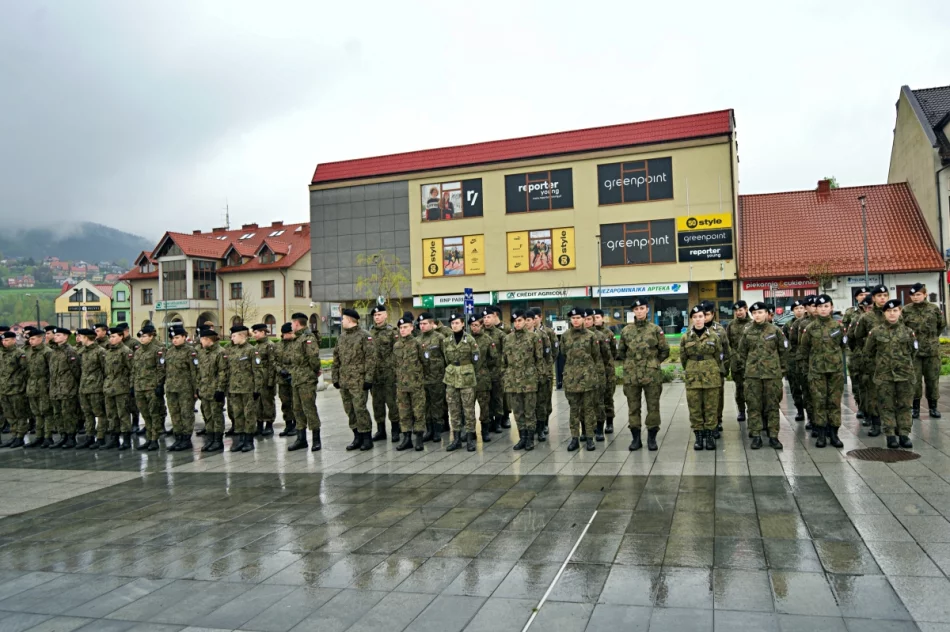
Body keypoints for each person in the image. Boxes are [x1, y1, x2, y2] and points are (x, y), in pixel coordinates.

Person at [616, 298, 670, 451]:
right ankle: (636, 439)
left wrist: (653, 363)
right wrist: (630, 364)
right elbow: (621, 352)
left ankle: (652, 438)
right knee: (633, 407)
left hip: (651, 375)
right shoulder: (626, 330)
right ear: (633, 311)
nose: (639, 311)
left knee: (653, 406)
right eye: (636, 309)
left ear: (647, 310)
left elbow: (664, 350)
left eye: (642, 308)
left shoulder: (655, 329)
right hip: (632, 375)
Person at [865, 298, 917, 449]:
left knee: (905, 405)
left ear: (900, 312)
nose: (892, 314)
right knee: (886, 405)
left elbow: (913, 352)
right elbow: (868, 353)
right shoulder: (876, 332)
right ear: (884, 313)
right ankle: (890, 435)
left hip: (905, 375)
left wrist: (904, 365)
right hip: (884, 376)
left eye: (895, 311)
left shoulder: (908, 332)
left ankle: (904, 434)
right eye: (889, 311)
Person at [737, 302, 787, 449]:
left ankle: (773, 436)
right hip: (753, 376)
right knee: (753, 405)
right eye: (755, 313)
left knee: (772, 406)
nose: (757, 315)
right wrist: (750, 367)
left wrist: (781, 371)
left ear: (766, 313)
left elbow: (783, 352)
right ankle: (756, 435)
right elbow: (742, 352)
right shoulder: (747, 332)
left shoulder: (776, 331)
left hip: (772, 376)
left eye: (760, 312)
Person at [799, 295, 846, 448]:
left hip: (835, 371)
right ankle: (820, 434)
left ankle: (834, 434)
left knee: (834, 402)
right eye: (820, 307)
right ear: (816, 309)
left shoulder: (838, 326)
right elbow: (804, 350)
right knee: (818, 402)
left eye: (826, 306)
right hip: (817, 372)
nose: (823, 309)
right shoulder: (810, 328)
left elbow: (843, 346)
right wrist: (808, 369)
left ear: (831, 307)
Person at [333, 309, 377, 451]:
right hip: (344, 380)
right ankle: (356, 436)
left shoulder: (364, 336)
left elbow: (371, 359)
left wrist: (369, 379)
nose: (342, 321)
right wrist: (335, 378)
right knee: (349, 409)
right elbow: (336, 359)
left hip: (359, 380)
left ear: (351, 319)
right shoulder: (342, 337)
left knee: (360, 409)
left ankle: (366, 438)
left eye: (343, 319)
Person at [849, 285, 889, 437]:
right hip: (872, 362)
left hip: (892, 362)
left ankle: (892, 424)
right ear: (873, 298)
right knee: (872, 392)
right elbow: (856, 338)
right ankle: (875, 422)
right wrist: (867, 352)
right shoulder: (866, 318)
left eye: (885, 295)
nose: (882, 298)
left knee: (891, 393)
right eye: (879, 295)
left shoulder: (894, 314)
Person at [682, 306, 723, 450]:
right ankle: (699, 437)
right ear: (692, 319)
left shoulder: (714, 336)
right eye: (695, 317)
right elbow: (683, 358)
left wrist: (712, 368)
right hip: (693, 378)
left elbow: (719, 356)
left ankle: (710, 436)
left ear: (705, 318)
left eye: (701, 316)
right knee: (695, 408)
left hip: (711, 377)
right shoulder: (686, 337)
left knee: (711, 407)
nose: (698, 319)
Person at [560, 307, 601, 452]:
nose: (575, 320)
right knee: (574, 410)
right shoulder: (565, 336)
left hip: (587, 378)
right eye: (573, 318)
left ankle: (590, 438)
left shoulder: (591, 336)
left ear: (584, 319)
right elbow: (564, 354)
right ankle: (574, 438)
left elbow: (596, 356)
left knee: (589, 410)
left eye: (578, 317)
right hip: (571, 378)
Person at [503, 309, 544, 451]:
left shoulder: (533, 337)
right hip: (513, 381)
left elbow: (539, 359)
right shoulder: (507, 339)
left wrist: (540, 377)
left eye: (520, 320)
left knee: (529, 411)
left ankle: (530, 439)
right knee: (518, 411)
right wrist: (505, 376)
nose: (517, 323)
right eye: (515, 321)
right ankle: (522, 437)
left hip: (529, 380)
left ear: (526, 321)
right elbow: (504, 362)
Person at [901, 282, 942, 419]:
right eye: (912, 295)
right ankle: (915, 408)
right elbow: (903, 328)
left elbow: (941, 325)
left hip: (932, 352)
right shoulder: (906, 310)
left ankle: (933, 408)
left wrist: (931, 340)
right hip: (914, 353)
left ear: (925, 294)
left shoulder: (934, 309)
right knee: (915, 381)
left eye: (918, 294)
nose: (915, 297)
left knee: (932, 380)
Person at [441, 313, 479, 452]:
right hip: (451, 377)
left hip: (466, 377)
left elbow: (476, 358)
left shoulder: (469, 340)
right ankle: (456, 439)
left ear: (463, 324)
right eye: (452, 323)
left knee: (468, 409)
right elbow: (446, 358)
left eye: (457, 323)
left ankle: (469, 439)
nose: (454, 325)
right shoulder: (446, 341)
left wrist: (465, 368)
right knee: (454, 409)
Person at [287, 312, 323, 452]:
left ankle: (316, 439)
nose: (291, 326)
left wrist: (313, 372)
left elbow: (313, 359)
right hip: (296, 380)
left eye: (292, 323)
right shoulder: (296, 339)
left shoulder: (308, 338)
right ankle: (301, 439)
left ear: (297, 323)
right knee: (297, 409)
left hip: (306, 380)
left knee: (309, 408)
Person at [224, 324, 262, 453]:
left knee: (249, 415)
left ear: (242, 335)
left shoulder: (252, 350)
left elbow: (257, 371)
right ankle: (240, 440)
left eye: (234, 336)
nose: (232, 338)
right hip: (234, 389)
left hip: (248, 389)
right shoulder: (231, 350)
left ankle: (249, 441)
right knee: (237, 414)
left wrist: (257, 388)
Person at [368, 305, 400, 442]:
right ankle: (381, 430)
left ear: (386, 315)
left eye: (379, 314)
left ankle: (395, 430)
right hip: (375, 375)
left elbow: (398, 352)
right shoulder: (370, 333)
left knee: (392, 403)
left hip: (389, 375)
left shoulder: (393, 332)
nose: (377, 317)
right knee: (377, 404)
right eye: (375, 315)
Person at [394, 316, 427, 451]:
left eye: (405, 327)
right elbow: (394, 364)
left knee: (418, 411)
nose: (402, 330)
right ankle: (406, 438)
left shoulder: (418, 343)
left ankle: (419, 438)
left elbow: (425, 362)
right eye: (401, 328)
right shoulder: (396, 345)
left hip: (416, 385)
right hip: (402, 386)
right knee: (404, 412)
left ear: (412, 328)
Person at [132, 325, 166, 451]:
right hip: (139, 387)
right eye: (140, 336)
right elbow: (134, 370)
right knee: (145, 414)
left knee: (154, 414)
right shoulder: (138, 351)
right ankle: (148, 437)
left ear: (151, 337)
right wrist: (133, 386)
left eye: (145, 336)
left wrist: (159, 385)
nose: (142, 338)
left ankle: (154, 439)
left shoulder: (158, 350)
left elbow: (161, 369)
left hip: (151, 387)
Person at [164, 325, 198, 451]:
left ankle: (186, 439)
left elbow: (194, 372)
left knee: (186, 414)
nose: (174, 340)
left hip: (185, 389)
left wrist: (196, 390)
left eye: (177, 337)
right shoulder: (170, 351)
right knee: (174, 414)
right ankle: (178, 438)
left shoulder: (190, 351)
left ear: (184, 337)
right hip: (171, 388)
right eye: (172, 338)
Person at [102, 327, 134, 450]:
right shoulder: (108, 352)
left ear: (121, 337)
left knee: (123, 414)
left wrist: (131, 387)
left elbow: (132, 370)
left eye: (114, 336)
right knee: (111, 414)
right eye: (110, 337)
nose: (111, 339)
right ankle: (114, 439)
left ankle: (126, 440)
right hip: (109, 388)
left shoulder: (126, 351)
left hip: (122, 388)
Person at [48, 327, 81, 448]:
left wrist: (71, 386)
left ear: (65, 337)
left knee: (68, 414)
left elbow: (76, 371)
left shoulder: (70, 351)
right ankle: (63, 436)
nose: (55, 337)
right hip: (55, 389)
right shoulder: (54, 352)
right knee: (58, 414)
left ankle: (71, 437)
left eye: (58, 335)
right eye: (55, 335)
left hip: (67, 388)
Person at [196, 327, 227, 452]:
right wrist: (198, 388)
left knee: (216, 416)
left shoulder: (220, 352)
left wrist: (220, 390)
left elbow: (223, 372)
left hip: (215, 391)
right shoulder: (202, 353)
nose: (201, 342)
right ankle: (210, 439)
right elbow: (200, 372)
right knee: (207, 416)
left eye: (202, 339)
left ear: (208, 339)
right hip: (204, 391)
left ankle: (218, 440)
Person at [417, 312, 447, 442]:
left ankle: (437, 431)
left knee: (437, 405)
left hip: (437, 378)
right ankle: (429, 430)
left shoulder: (439, 338)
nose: (422, 326)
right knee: (425, 405)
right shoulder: (417, 340)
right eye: (420, 324)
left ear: (431, 324)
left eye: (424, 324)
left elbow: (446, 357)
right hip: (423, 379)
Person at [75, 328, 107, 449]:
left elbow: (105, 370)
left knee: (100, 413)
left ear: (87, 337)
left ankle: (100, 437)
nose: (79, 339)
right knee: (87, 414)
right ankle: (89, 437)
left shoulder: (100, 351)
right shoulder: (82, 351)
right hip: (84, 387)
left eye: (81, 336)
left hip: (96, 388)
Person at [701, 302, 729, 438]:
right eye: (702, 314)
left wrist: (724, 368)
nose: (704, 317)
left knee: (717, 397)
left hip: (716, 369)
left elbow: (726, 351)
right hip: (699, 371)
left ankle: (717, 421)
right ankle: (704, 423)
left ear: (712, 314)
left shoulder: (720, 330)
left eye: (707, 314)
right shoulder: (693, 329)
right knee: (701, 399)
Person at [842, 287, 870, 417]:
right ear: (856, 297)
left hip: (873, 353)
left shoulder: (878, 312)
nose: (864, 297)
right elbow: (847, 332)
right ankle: (861, 406)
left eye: (867, 294)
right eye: (861, 295)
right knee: (857, 380)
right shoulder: (850, 312)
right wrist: (853, 349)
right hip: (856, 352)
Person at [468, 314, 496, 444]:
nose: (474, 328)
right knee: (468, 407)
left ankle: (485, 431)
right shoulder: (466, 340)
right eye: (472, 326)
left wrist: (484, 369)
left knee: (484, 407)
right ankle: (471, 432)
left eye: (476, 325)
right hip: (468, 379)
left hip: (483, 379)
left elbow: (493, 358)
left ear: (481, 326)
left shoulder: (487, 340)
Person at [23, 329, 52, 448]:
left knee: (46, 412)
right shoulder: (28, 351)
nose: (31, 341)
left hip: (44, 385)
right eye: (29, 339)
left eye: (33, 338)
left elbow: (52, 371)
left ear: (41, 338)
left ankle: (48, 437)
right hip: (32, 385)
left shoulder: (47, 352)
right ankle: (39, 436)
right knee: (37, 413)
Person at [0, 330, 29, 448]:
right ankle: (14, 435)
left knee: (19, 414)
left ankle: (20, 437)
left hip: (16, 389)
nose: (4, 342)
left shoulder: (19, 353)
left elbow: (26, 370)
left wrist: (20, 384)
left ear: (13, 340)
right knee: (9, 415)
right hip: (3, 389)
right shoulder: (1, 353)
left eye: (7, 340)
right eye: (3, 340)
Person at [592, 309, 618, 437]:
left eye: (597, 317)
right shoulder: (588, 333)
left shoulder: (609, 334)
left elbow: (614, 352)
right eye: (593, 317)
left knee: (608, 398)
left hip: (607, 371)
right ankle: (596, 424)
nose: (595, 319)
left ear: (602, 318)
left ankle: (609, 422)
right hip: (593, 372)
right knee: (596, 400)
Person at [483, 307, 508, 431]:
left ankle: (498, 420)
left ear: (494, 317)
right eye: (484, 317)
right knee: (485, 399)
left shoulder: (500, 334)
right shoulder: (479, 333)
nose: (486, 320)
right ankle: (489, 420)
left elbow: (506, 352)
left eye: (488, 317)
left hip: (497, 372)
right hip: (483, 372)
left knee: (497, 397)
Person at [532, 309, 556, 440]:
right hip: (531, 373)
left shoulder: (548, 332)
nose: (534, 320)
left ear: (540, 318)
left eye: (535, 318)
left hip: (545, 371)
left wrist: (546, 367)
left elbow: (554, 351)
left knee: (545, 398)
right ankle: (536, 424)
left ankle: (545, 422)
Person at [250, 323, 278, 437]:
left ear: (262, 332)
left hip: (266, 378)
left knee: (267, 402)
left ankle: (269, 425)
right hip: (257, 379)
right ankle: (259, 424)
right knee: (257, 402)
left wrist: (271, 381)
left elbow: (273, 364)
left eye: (256, 333)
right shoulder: (256, 347)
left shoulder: (269, 345)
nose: (254, 335)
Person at [726, 300, 751, 422]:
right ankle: (741, 410)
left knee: (752, 389)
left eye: (740, 310)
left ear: (746, 309)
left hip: (751, 363)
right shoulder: (731, 325)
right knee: (739, 388)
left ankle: (753, 411)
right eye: (736, 311)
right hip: (737, 362)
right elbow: (728, 344)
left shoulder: (752, 323)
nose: (738, 313)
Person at [783, 300, 807, 422]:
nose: (799, 310)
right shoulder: (788, 325)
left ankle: (811, 415)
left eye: (801, 308)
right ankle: (800, 410)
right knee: (795, 387)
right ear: (793, 311)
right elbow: (785, 343)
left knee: (808, 388)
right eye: (796, 308)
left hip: (806, 360)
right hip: (793, 360)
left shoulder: (809, 323)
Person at [275, 323, 297, 438]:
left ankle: (297, 425)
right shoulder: (277, 346)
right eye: (289, 333)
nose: (292, 334)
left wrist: (292, 373)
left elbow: (299, 361)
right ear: (284, 334)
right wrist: (280, 370)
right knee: (285, 403)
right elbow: (274, 361)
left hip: (294, 378)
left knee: (296, 403)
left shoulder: (296, 344)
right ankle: (288, 424)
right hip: (282, 379)